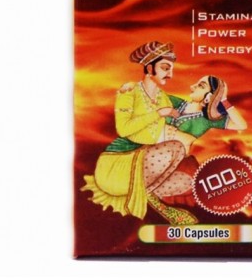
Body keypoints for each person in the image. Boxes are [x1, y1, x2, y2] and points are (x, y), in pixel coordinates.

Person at [81, 41, 197, 225]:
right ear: (149, 68)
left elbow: (160, 134)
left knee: (189, 181)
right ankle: (152, 199)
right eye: (165, 68)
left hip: (145, 165)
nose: (170, 74)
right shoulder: (129, 91)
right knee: (175, 147)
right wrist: (158, 114)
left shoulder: (163, 98)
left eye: (171, 69)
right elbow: (124, 129)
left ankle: (145, 192)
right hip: (117, 167)